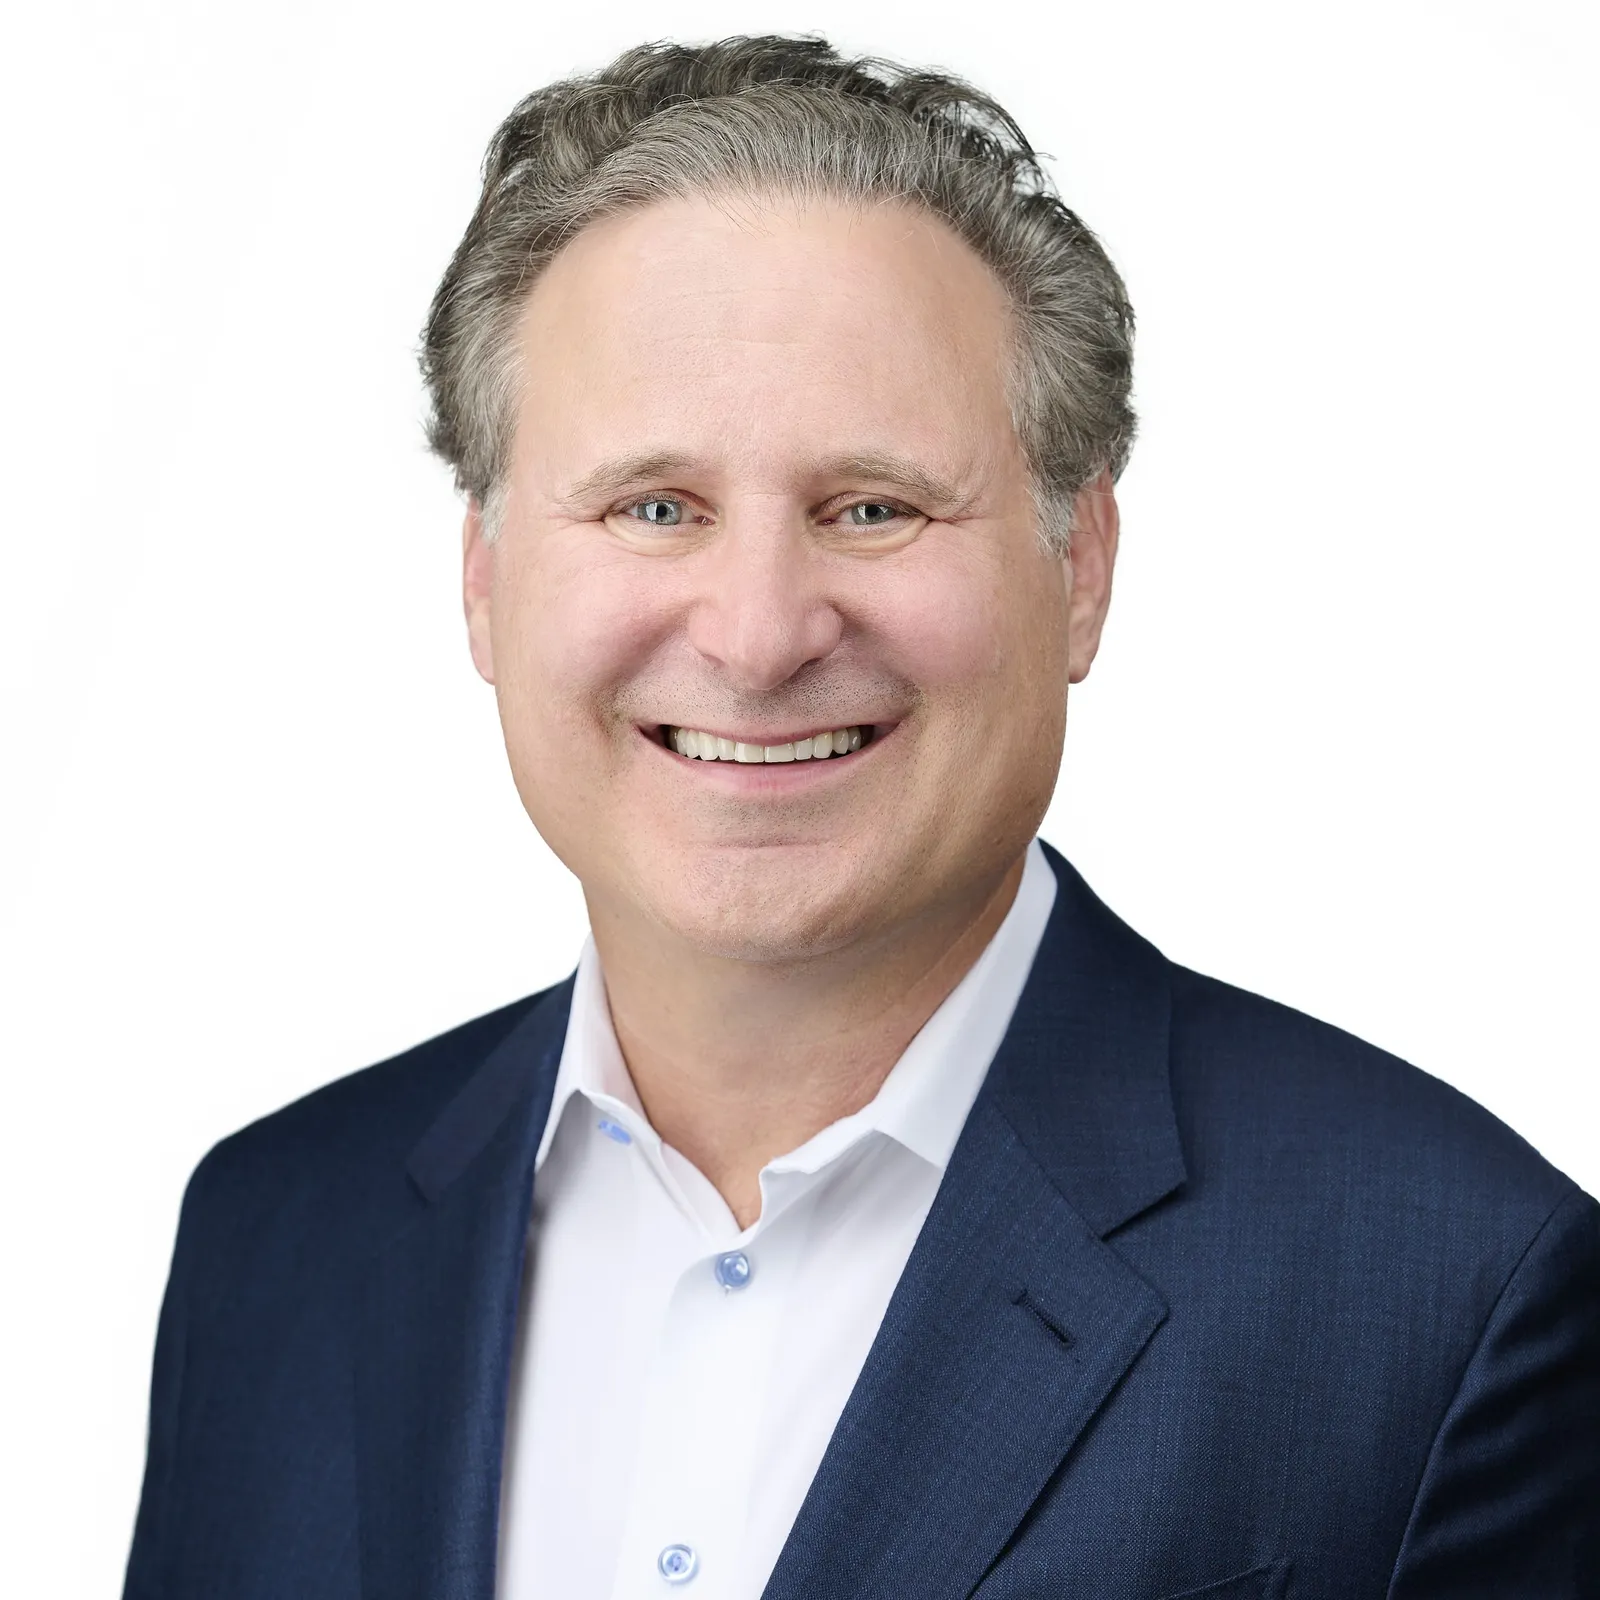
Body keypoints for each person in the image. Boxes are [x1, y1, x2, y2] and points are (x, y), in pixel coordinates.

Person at [122, 34, 1598, 1600]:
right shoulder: (272, 1236)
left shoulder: (1450, 1295)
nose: (758, 634)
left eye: (874, 507)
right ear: (484, 576)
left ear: (1080, 565)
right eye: (653, 506)